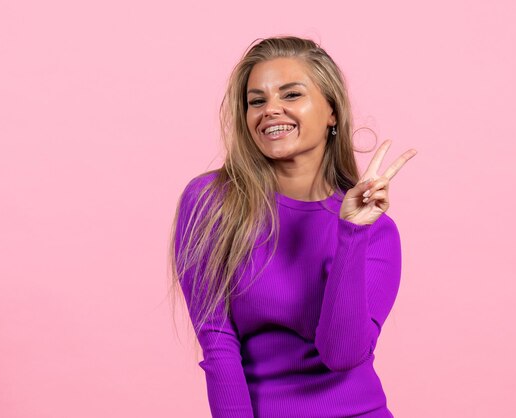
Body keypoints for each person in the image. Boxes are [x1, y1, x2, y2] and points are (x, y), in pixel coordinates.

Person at [169, 36, 417, 418]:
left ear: (332, 111)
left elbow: (343, 355)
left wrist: (350, 232)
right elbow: (217, 344)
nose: (271, 110)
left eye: (291, 95)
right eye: (257, 101)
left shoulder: (376, 233)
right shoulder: (212, 201)